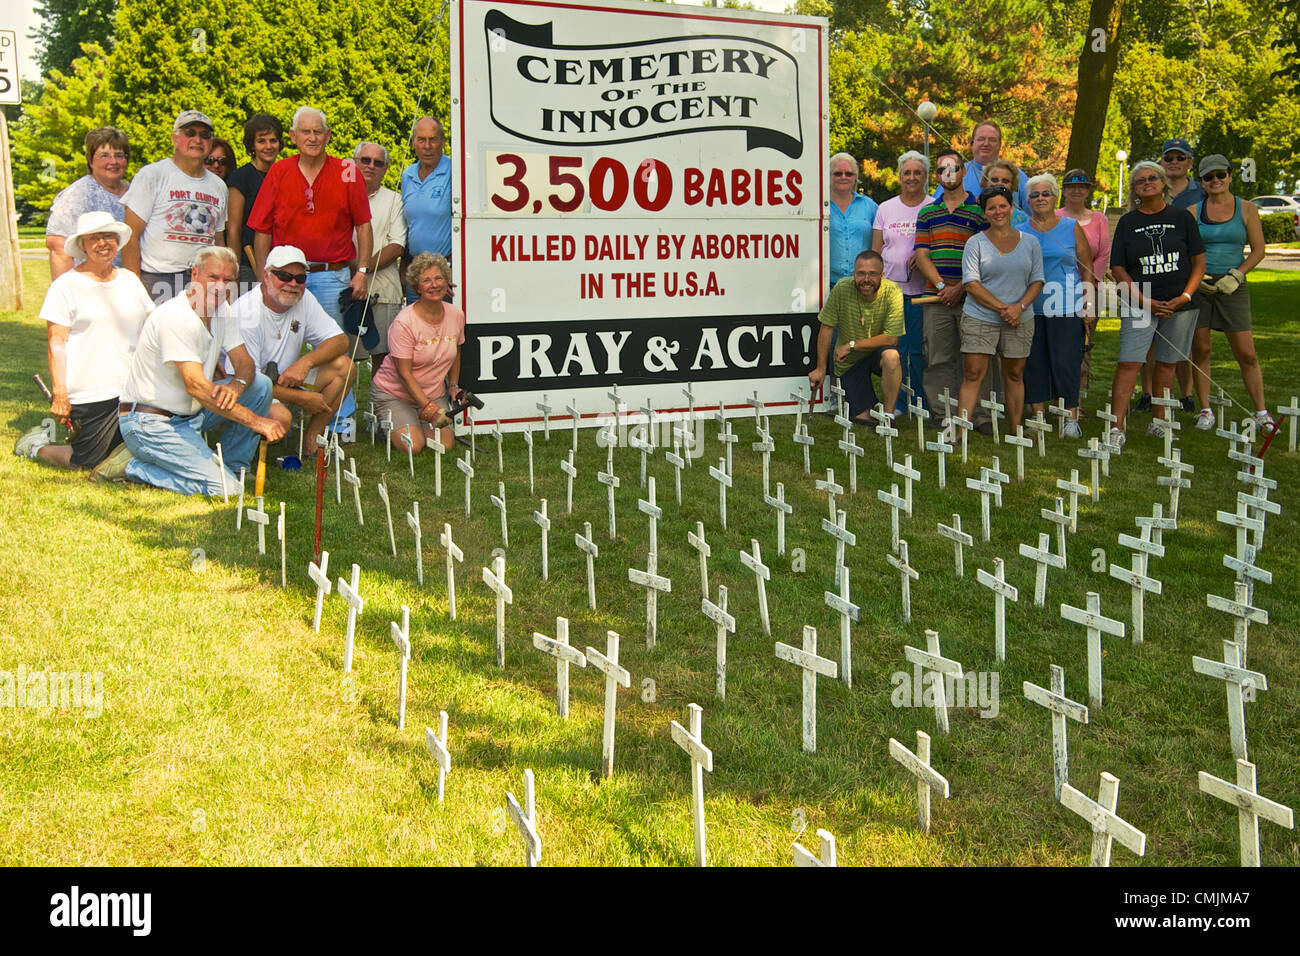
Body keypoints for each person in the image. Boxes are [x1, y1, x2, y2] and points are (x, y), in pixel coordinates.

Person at [97, 246, 284, 493]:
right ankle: (134, 466)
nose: (220, 286)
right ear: (194, 275)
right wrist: (258, 422)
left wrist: (236, 386)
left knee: (260, 385)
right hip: (149, 421)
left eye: (228, 280)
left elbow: (245, 363)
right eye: (213, 277)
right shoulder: (176, 317)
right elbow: (196, 386)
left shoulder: (221, 310)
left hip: (190, 415)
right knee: (227, 491)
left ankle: (235, 466)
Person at [16, 211, 153, 469]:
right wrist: (60, 395)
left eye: (109, 237)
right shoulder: (66, 286)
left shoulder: (130, 280)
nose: (103, 243)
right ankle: (37, 447)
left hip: (133, 389)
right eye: (95, 238)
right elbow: (56, 343)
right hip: (91, 392)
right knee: (89, 464)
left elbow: (152, 327)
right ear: (83, 245)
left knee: (133, 454)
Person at [1107, 161, 1205, 447]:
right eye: (1140, 180)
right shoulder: (1128, 222)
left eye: (1153, 178)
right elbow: (1118, 268)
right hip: (1140, 302)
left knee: (1167, 364)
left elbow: (1199, 261)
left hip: (1181, 303)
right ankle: (1117, 426)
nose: (1147, 182)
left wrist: (1184, 297)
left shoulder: (1183, 218)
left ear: (1163, 183)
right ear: (1135, 190)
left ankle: (1159, 422)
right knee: (1129, 362)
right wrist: (1143, 301)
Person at [247, 106, 373, 321]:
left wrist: (361, 272)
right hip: (285, 277)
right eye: (306, 132)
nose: (312, 138)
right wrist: (263, 278)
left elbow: (363, 226)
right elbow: (262, 231)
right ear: (293, 136)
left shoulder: (347, 171)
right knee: (284, 345)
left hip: (332, 277)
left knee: (331, 345)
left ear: (328, 136)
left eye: (318, 131)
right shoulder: (279, 171)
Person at [230, 245, 355, 454]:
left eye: (300, 278)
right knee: (282, 419)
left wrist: (305, 362)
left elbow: (340, 341)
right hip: (249, 390)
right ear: (266, 275)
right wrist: (302, 399)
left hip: (286, 381)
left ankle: (311, 442)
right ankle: (244, 450)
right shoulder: (246, 312)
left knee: (345, 367)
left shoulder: (304, 299)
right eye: (284, 276)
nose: (292, 284)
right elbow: (249, 381)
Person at [913, 148, 1002, 433]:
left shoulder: (980, 211)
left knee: (977, 357)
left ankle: (983, 416)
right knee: (938, 356)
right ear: (937, 176)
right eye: (942, 169)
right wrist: (942, 286)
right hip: (936, 296)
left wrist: (961, 288)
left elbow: (987, 257)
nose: (948, 173)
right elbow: (923, 254)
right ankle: (944, 412)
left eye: (953, 168)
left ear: (963, 171)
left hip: (975, 299)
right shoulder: (927, 212)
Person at [1189, 154, 1272, 430]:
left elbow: (1259, 250)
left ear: (1230, 176)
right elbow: (1188, 251)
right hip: (1202, 285)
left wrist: (1237, 275)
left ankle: (1261, 413)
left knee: (1246, 352)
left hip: (1233, 286)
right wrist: (1196, 278)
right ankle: (1205, 410)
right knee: (1201, 349)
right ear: (1201, 181)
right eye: (1208, 177)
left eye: (1220, 175)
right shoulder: (1193, 212)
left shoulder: (1246, 208)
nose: (1215, 181)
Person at [958, 186, 1044, 435]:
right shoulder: (975, 243)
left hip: (1021, 317)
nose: (998, 211)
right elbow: (971, 284)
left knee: (1015, 373)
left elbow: (1037, 280)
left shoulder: (1030, 242)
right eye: (991, 207)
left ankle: (1016, 429)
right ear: (984, 212)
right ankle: (960, 430)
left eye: (1002, 206)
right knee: (973, 373)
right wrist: (1004, 308)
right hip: (981, 316)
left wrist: (1020, 307)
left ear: (1012, 207)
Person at [121, 110, 228, 305]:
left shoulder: (218, 186)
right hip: (158, 279)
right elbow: (130, 235)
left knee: (201, 335)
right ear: (175, 138)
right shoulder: (153, 175)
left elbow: (219, 240)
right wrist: (133, 288)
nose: (198, 139)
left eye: (205, 135)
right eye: (190, 133)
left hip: (202, 281)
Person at [1019, 174, 1093, 436]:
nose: (1040, 198)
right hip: (1030, 306)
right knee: (1034, 362)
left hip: (1065, 304)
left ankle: (1070, 416)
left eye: (1046, 193)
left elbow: (1087, 268)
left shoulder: (1070, 227)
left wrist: (1089, 304)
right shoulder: (1021, 229)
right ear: (1028, 200)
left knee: (1066, 361)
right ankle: (1038, 416)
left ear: (1055, 197)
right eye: (1035, 195)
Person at [368, 253, 464, 454]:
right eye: (426, 281)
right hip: (395, 393)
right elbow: (404, 374)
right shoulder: (404, 322)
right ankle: (390, 420)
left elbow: (456, 349)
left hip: (433, 392)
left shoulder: (456, 314)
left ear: (447, 282)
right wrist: (428, 409)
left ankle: (411, 422)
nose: (434, 285)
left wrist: (453, 385)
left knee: (444, 445)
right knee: (413, 446)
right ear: (416, 287)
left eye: (438, 278)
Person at [1135, 137, 1202, 413]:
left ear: (1189, 162)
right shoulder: (1143, 191)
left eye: (1180, 157)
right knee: (1149, 341)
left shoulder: (1199, 194)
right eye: (1169, 158)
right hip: (1149, 279)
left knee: (1186, 342)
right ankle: (1148, 393)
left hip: (1184, 275)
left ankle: (1185, 394)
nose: (1174, 162)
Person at [808, 250, 903, 423]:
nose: (866, 279)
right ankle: (864, 407)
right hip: (849, 362)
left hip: (875, 354)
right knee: (862, 419)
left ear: (882, 275)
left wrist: (851, 345)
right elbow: (826, 327)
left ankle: (889, 416)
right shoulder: (842, 288)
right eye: (861, 273)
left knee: (892, 356)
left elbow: (892, 339)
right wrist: (821, 368)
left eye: (872, 274)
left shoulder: (893, 291)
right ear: (854, 274)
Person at [871, 150, 928, 410]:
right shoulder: (885, 208)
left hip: (921, 291)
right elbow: (875, 250)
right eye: (907, 172)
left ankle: (918, 399)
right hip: (891, 291)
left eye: (917, 172)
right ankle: (898, 401)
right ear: (899, 176)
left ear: (925, 176)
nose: (912, 177)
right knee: (895, 349)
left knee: (917, 350)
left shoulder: (933, 205)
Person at [45, 127, 131, 279]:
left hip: (125, 283)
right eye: (104, 155)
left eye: (119, 155)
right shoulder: (76, 195)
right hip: (89, 284)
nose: (114, 161)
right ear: (91, 160)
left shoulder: (134, 193)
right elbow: (58, 247)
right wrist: (69, 293)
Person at [352, 141, 408, 370]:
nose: (371, 166)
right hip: (344, 287)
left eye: (378, 162)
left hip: (384, 290)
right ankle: (345, 407)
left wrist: (361, 271)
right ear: (355, 162)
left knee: (383, 361)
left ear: (385, 168)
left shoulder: (395, 200)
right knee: (343, 357)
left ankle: (381, 406)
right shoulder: (338, 195)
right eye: (365, 160)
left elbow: (397, 245)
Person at [1058, 169, 1110, 389]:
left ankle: (1078, 395)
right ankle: (1056, 391)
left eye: (1081, 186)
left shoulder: (1099, 219)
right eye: (1071, 186)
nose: (1076, 190)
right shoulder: (1055, 216)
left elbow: (1103, 253)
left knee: (1084, 340)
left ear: (1088, 190)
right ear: (1064, 190)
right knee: (1059, 341)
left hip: (1089, 288)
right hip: (1058, 288)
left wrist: (1088, 283)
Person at [227, 113, 284, 288]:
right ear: (252, 144)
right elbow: (233, 229)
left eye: (273, 141)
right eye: (261, 141)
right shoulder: (240, 178)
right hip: (248, 265)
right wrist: (234, 272)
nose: (268, 146)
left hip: (282, 263)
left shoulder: (286, 175)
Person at [936, 120, 1030, 210]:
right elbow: (936, 209)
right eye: (981, 139)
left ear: (1000, 144)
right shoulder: (955, 173)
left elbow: (1035, 216)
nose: (986, 144)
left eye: (992, 140)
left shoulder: (1017, 176)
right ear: (972, 144)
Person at [402, 117, 453, 280]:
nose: (427, 146)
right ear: (413, 142)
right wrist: (403, 267)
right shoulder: (407, 175)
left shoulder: (455, 171)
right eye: (421, 140)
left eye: (433, 140)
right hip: (415, 270)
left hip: (444, 272)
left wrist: (452, 265)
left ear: (443, 141)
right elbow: (407, 226)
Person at [829, 152, 878, 289]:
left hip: (862, 284)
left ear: (855, 178)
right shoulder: (820, 206)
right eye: (838, 173)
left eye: (849, 174)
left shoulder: (870, 206)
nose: (843, 177)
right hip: (826, 284)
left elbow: (884, 241)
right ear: (828, 176)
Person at [981, 160, 1028, 227]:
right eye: (994, 180)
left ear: (1012, 185)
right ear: (985, 182)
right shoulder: (974, 213)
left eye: (1005, 181)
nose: (999, 184)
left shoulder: (1023, 219)